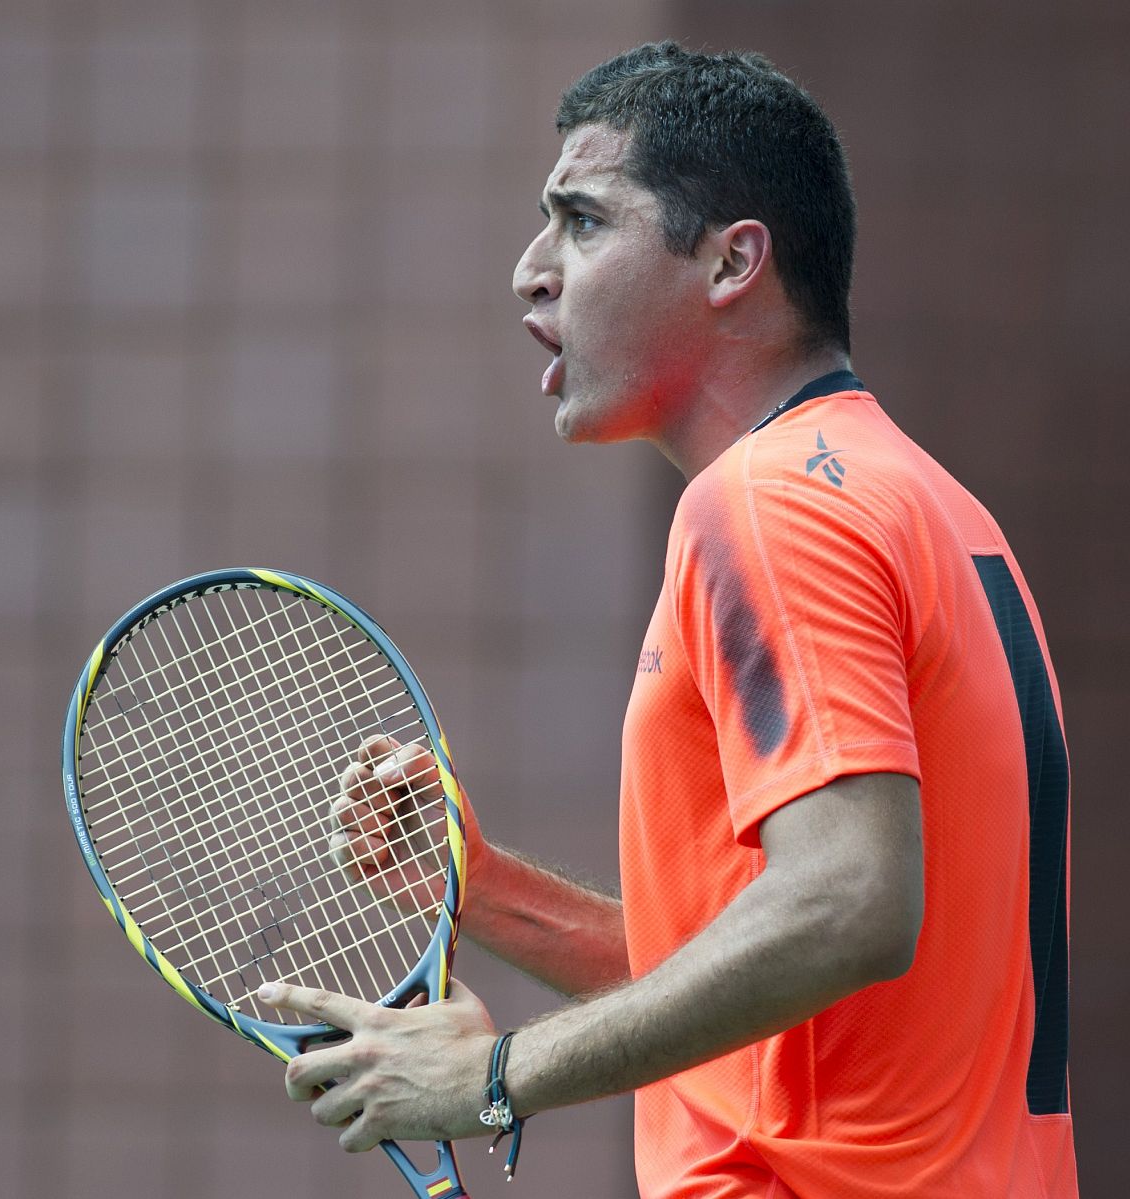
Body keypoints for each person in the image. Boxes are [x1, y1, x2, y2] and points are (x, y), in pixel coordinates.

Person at [257, 41, 1081, 1197]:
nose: (530, 271)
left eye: (582, 222)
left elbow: (845, 906)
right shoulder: (924, 500)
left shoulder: (766, 504)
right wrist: (481, 883)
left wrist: (493, 1075)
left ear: (733, 261)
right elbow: (775, 974)